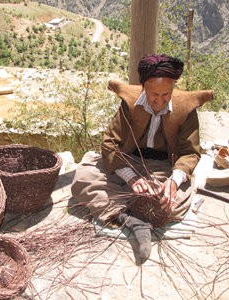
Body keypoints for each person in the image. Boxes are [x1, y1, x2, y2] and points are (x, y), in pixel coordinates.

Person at [71, 54, 213, 263]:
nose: (160, 100)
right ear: (142, 86)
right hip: (128, 161)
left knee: (176, 200)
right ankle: (132, 221)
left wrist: (173, 182)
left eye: (167, 94)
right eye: (154, 94)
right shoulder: (130, 103)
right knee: (84, 177)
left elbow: (189, 152)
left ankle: (128, 213)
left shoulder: (185, 109)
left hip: (164, 166)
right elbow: (110, 143)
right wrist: (130, 178)